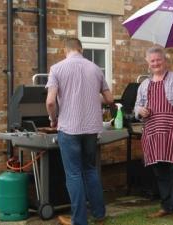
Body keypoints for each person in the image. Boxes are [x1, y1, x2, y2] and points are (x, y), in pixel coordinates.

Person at [46, 37, 114, 225]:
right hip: (91, 129)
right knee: (90, 170)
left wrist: (53, 119)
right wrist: (92, 97)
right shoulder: (95, 69)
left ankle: (79, 220)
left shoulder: (57, 69)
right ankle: (99, 216)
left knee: (74, 174)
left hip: (69, 128)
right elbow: (109, 98)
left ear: (65, 50)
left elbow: (50, 102)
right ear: (81, 49)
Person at [134, 46, 173, 224]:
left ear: (165, 61)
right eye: (152, 60)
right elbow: (136, 108)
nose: (155, 63)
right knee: (160, 172)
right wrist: (140, 110)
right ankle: (166, 206)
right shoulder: (144, 84)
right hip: (153, 133)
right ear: (148, 63)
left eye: (158, 60)